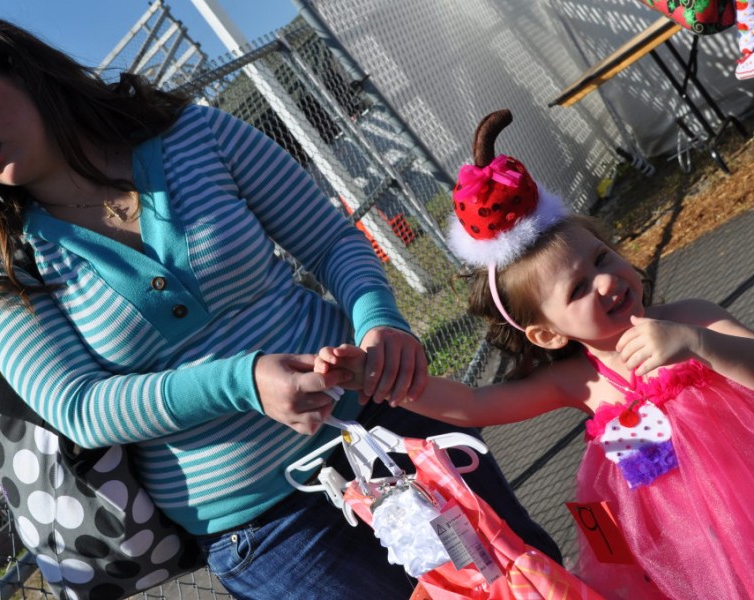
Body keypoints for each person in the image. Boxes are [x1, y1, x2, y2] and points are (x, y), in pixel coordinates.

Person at [0, 16, 560, 599]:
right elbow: (79, 407)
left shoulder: (194, 134)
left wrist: (379, 319)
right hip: (269, 534)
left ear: (20, 69)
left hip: (392, 433)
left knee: (536, 587)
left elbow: (329, 242)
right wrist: (242, 382)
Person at [316, 109, 754, 599]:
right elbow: (473, 406)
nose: (607, 281)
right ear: (546, 335)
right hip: (680, 546)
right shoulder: (580, 381)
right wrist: (379, 375)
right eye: (580, 288)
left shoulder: (693, 318)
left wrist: (698, 345)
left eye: (602, 258)